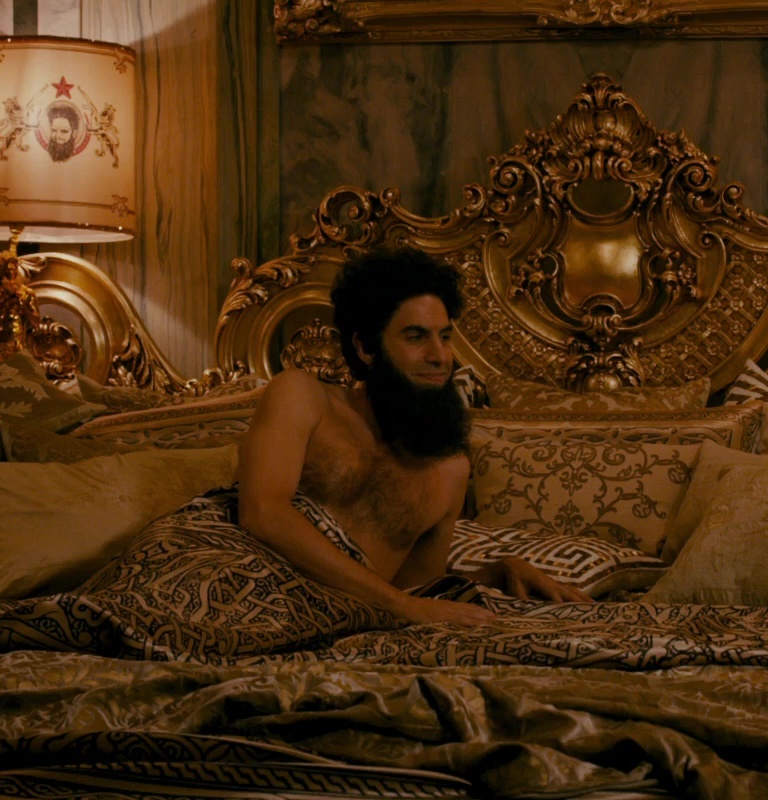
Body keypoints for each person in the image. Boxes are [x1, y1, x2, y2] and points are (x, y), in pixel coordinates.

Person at [237, 247, 589, 627]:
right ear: (365, 347)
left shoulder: (448, 472)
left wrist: (500, 572)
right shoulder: (302, 396)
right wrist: (401, 606)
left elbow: (417, 593)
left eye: (445, 337)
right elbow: (263, 514)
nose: (440, 356)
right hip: (232, 574)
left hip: (325, 618)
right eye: (416, 337)